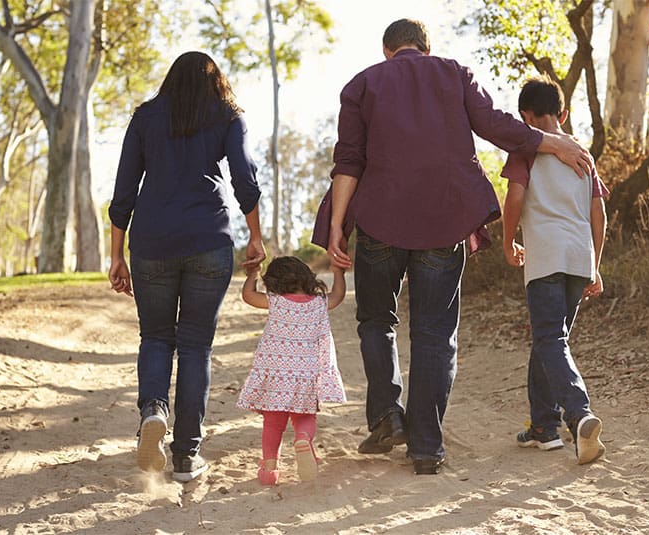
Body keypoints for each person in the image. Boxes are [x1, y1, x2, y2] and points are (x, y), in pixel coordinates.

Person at [327, 19, 594, 475]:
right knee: (434, 333)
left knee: (377, 319)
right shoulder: (454, 73)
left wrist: (337, 227)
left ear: (388, 50)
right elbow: (494, 126)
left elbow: (348, 161)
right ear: (426, 48)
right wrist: (553, 143)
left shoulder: (362, 84)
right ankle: (427, 448)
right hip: (443, 221)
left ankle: (388, 416)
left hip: (378, 222)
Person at [108, 51, 265, 483]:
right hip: (208, 242)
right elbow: (244, 179)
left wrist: (117, 254)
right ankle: (185, 456)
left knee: (156, 337)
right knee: (195, 346)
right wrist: (255, 235)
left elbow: (124, 189)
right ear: (216, 81)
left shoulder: (145, 117)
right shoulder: (229, 116)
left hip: (151, 243)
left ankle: (153, 411)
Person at [501, 76, 608, 464]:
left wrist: (507, 240)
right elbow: (600, 214)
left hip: (545, 256)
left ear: (524, 116)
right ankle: (543, 428)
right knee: (550, 340)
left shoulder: (525, 149)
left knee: (550, 339)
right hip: (579, 258)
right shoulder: (584, 156)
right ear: (563, 113)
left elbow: (515, 196)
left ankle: (579, 414)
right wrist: (594, 264)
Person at [237, 257, 347, 485]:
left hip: (276, 374)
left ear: (274, 283)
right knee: (304, 416)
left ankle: (269, 467)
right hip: (305, 374)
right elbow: (338, 296)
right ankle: (303, 439)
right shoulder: (318, 302)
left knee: (273, 421)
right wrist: (339, 273)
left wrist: (252, 274)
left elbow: (248, 296)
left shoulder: (276, 301)